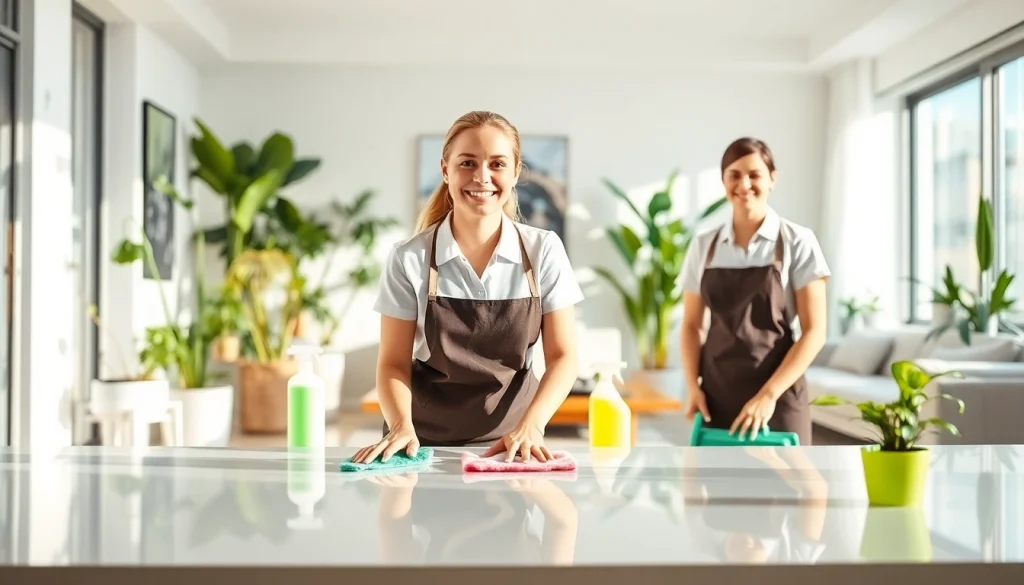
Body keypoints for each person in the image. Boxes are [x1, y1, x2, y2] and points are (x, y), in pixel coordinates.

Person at [352, 111, 584, 464]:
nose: (482, 177)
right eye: (467, 163)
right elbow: (393, 363)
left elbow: (564, 357)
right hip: (420, 444)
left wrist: (532, 427)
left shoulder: (543, 251)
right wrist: (400, 426)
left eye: (497, 164)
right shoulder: (409, 258)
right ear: (445, 170)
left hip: (510, 446)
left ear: (516, 172)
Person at [679, 137, 829, 446]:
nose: (744, 183)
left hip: (779, 397)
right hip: (716, 398)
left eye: (754, 174)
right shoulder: (703, 246)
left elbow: (815, 331)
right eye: (734, 174)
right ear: (723, 181)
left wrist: (768, 395)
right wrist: (693, 387)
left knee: (793, 491)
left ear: (772, 178)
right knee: (717, 491)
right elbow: (692, 325)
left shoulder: (797, 241)